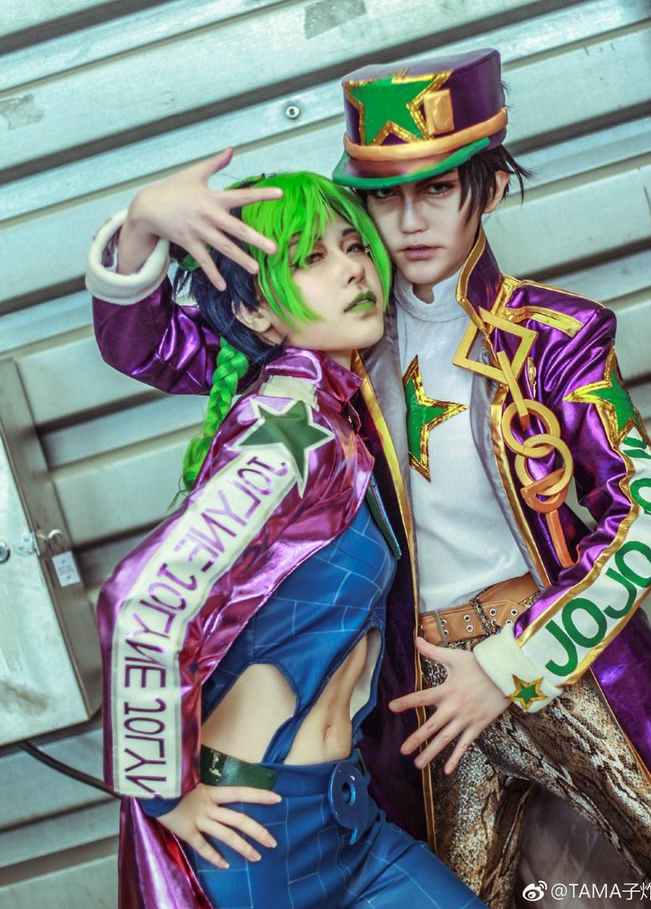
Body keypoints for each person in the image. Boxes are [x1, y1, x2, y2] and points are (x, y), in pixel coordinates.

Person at [87, 50, 651, 906]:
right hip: (417, 694)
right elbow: (150, 345)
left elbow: (645, 519)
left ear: (490, 188)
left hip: (553, 654)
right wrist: (142, 224)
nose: (407, 222)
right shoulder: (332, 342)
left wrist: (514, 663)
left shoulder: (557, 336)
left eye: (435, 190)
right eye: (382, 197)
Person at [95, 171, 486, 909]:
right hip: (255, 840)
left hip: (352, 822)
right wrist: (161, 792)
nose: (353, 269)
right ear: (257, 312)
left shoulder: (338, 407)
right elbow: (142, 601)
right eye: (311, 258)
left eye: (353, 246)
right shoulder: (289, 435)